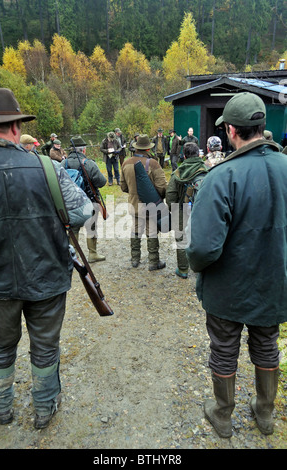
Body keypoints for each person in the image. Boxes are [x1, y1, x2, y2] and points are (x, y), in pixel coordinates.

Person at [0, 88, 94, 430]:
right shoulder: (47, 168)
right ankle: (44, 410)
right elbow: (83, 210)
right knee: (45, 348)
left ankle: (1, 407)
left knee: (0, 347)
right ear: (16, 127)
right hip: (47, 277)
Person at [186, 92, 287, 438]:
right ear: (262, 125)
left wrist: (198, 268)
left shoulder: (220, 177)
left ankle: (223, 415)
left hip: (227, 289)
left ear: (231, 130)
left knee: (224, 348)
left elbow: (200, 248)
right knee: (267, 342)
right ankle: (265, 414)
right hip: (276, 282)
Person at [120, 134, 168, 271]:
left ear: (136, 148)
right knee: (151, 231)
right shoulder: (153, 163)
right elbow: (162, 186)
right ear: (148, 149)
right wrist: (159, 198)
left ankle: (135, 259)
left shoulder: (126, 163)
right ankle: (154, 262)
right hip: (151, 205)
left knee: (135, 229)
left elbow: (123, 186)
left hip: (134, 204)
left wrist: (134, 193)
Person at [166, 143, 208, 279]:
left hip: (182, 210)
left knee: (182, 238)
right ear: (198, 155)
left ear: (184, 156)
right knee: (202, 238)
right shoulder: (207, 170)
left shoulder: (177, 173)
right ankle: (201, 268)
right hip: (203, 211)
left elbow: (170, 197)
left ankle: (183, 269)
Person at [64, 135, 107, 263]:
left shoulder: (63, 163)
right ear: (83, 150)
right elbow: (102, 182)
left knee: (73, 229)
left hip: (70, 202)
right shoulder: (89, 164)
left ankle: (74, 255)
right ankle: (92, 254)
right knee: (91, 227)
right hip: (90, 200)